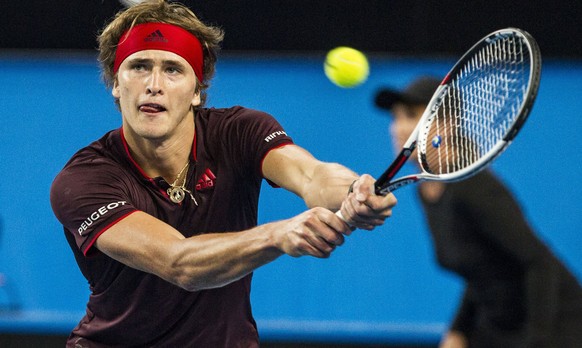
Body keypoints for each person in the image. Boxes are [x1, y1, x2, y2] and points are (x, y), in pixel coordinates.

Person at [49, 1, 397, 347]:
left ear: (197, 91)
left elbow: (312, 176)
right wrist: (277, 235)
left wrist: (354, 190)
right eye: (139, 66)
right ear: (115, 82)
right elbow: (178, 263)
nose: (154, 84)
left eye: (173, 70)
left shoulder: (240, 131)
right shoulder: (84, 180)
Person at [374, 76, 582, 348]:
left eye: (411, 116)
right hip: (498, 325)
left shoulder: (475, 189)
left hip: (555, 324)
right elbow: (483, 270)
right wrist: (458, 331)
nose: (397, 128)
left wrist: (538, 341)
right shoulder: (426, 192)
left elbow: (538, 262)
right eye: (395, 118)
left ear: (447, 125)